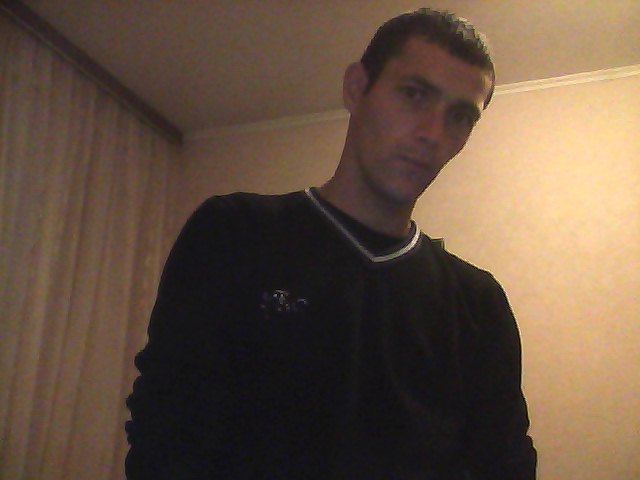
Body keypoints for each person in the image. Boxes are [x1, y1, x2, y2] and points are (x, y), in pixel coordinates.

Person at [125, 7, 536, 479]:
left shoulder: (478, 305)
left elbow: (506, 464)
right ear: (356, 88)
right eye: (414, 94)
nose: (432, 133)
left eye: (460, 116)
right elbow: (167, 428)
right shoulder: (235, 233)